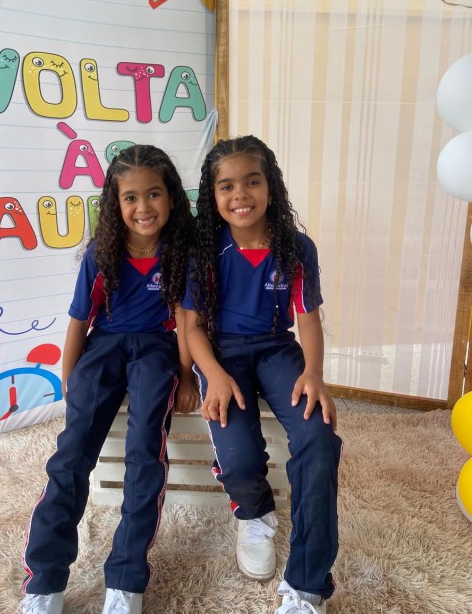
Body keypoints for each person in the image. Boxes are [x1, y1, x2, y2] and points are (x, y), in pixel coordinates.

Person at [20, 144, 200, 614]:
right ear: (115, 204)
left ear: (172, 197)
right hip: (104, 348)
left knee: (145, 452)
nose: (144, 207)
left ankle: (125, 581)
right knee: (70, 456)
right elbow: (79, 320)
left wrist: (185, 376)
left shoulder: (180, 253)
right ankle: (44, 581)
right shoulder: (102, 254)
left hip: (156, 351)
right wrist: (69, 378)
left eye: (154, 194)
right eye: (131, 198)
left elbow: (185, 320)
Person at [183, 135, 342, 614]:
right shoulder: (204, 249)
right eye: (227, 186)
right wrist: (213, 374)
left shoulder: (296, 247)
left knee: (318, 436)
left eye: (252, 181)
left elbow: (307, 318)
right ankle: (254, 514)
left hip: (276, 348)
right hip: (220, 352)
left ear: (271, 186)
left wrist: (313, 373)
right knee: (238, 454)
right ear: (213, 195)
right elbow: (191, 326)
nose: (240, 195)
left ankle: (307, 586)